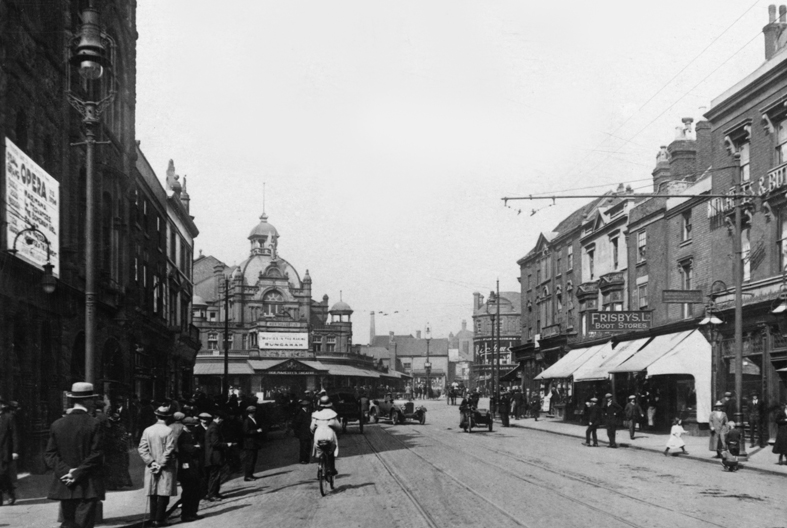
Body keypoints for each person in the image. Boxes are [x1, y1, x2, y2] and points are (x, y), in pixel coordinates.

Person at [44, 382, 105, 528]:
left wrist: (66, 472)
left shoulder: (57, 424)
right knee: (84, 523)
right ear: (88, 401)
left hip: (65, 483)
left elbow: (50, 454)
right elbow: (97, 454)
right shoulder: (94, 424)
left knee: (68, 522)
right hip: (87, 484)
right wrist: (76, 473)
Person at [138, 405, 177, 528]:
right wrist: (160, 464)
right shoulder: (169, 431)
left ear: (156, 416)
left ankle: (152, 517)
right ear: (168, 417)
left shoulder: (147, 430)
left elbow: (142, 449)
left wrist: (151, 462)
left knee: (153, 493)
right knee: (164, 493)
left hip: (151, 467)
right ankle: (160, 520)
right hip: (165, 467)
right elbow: (169, 450)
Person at [176, 417, 204, 522]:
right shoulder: (183, 436)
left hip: (193, 468)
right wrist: (196, 447)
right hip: (187, 469)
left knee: (195, 490)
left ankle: (193, 512)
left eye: (192, 426)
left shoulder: (190, 434)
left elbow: (197, 447)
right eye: (189, 427)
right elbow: (190, 449)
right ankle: (186, 514)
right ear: (184, 426)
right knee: (188, 492)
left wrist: (196, 447)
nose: (191, 428)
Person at [204, 412, 233, 501]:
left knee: (217, 475)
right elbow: (215, 443)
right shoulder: (214, 428)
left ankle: (215, 493)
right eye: (221, 419)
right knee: (214, 475)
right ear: (218, 418)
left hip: (214, 455)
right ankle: (212, 494)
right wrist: (226, 445)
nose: (222, 421)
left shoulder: (213, 426)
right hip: (214, 455)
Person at [310, 395, 340, 477]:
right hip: (329, 435)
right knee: (331, 449)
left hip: (318, 434)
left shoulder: (315, 414)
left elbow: (312, 427)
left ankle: (320, 465)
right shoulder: (332, 414)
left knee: (319, 449)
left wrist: (313, 431)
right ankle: (331, 468)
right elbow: (338, 426)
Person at [104, 413, 132, 490]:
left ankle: (113, 484)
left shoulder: (110, 428)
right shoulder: (121, 427)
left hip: (113, 451)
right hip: (120, 450)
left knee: (113, 468)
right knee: (119, 467)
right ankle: (118, 483)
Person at [0, 400, 19, 505]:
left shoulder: (8, 417)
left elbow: (14, 435)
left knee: (2, 473)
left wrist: (15, 451)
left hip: (4, 450)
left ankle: (10, 492)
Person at [241, 406, 264, 481]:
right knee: (250, 460)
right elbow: (246, 432)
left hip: (254, 443)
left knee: (253, 460)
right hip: (249, 444)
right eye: (252, 412)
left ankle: (250, 474)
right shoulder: (247, 421)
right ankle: (247, 476)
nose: (254, 414)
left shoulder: (253, 419)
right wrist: (257, 431)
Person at [292, 399, 313, 464]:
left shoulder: (309, 412)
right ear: (303, 406)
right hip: (302, 432)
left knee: (308, 446)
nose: (306, 407)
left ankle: (307, 458)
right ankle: (303, 459)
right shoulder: (300, 413)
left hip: (308, 432)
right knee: (303, 446)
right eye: (305, 406)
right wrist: (297, 432)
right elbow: (296, 424)